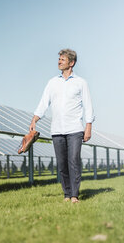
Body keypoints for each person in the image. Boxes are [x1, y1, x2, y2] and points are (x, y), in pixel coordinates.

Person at [29, 48, 95, 203]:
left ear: (71, 63)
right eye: (59, 59)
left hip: (75, 130)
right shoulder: (52, 82)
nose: (59, 62)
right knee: (62, 164)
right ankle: (66, 193)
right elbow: (44, 102)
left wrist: (88, 126)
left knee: (73, 161)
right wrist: (34, 119)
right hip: (57, 130)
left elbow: (88, 105)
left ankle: (74, 195)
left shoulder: (81, 83)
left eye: (62, 59)